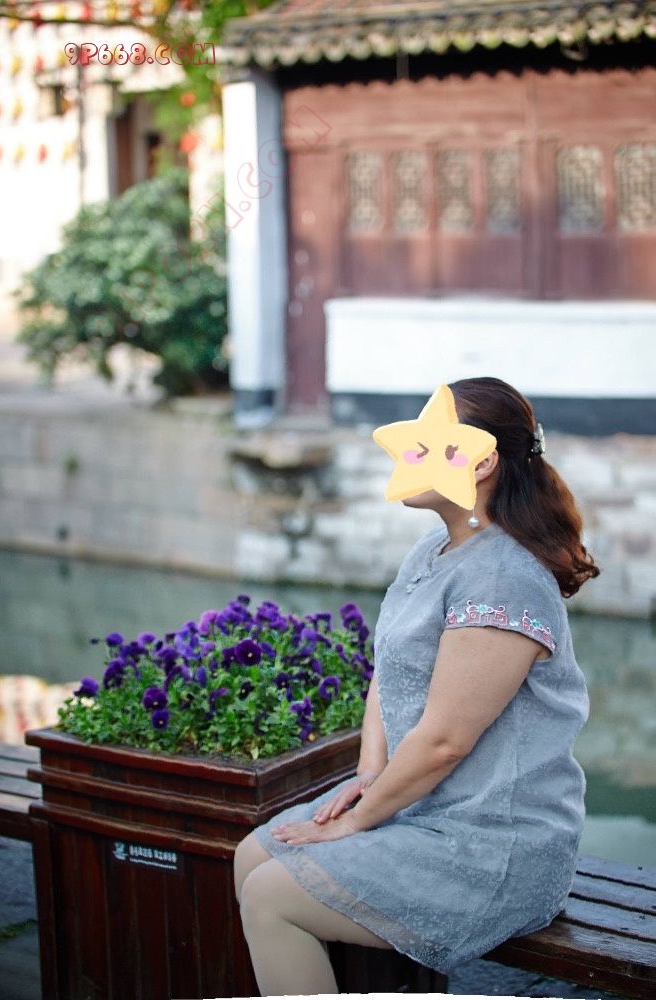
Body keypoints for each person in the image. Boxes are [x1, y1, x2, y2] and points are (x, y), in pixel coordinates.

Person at [233, 375, 599, 996]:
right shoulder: (434, 549)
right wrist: (368, 775)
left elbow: (445, 741)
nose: (408, 455)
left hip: (494, 841)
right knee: (253, 854)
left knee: (273, 895)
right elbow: (390, 666)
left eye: (429, 443)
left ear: (480, 461)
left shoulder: (503, 578)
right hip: (420, 810)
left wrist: (356, 822)